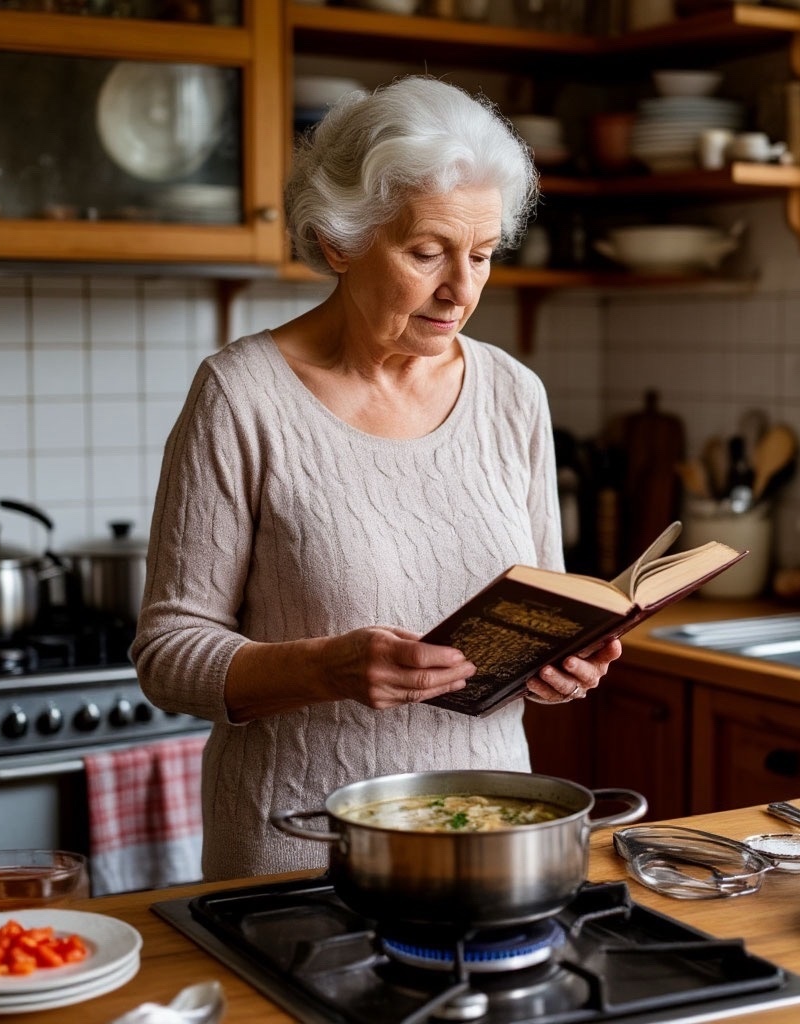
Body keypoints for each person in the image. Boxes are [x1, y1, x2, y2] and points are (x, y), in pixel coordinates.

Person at [131, 75, 622, 882]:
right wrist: (326, 669)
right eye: (427, 252)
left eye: (482, 255)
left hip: (492, 842)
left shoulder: (513, 396)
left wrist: (563, 667)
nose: (461, 290)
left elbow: (543, 609)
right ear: (340, 242)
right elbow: (169, 656)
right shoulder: (241, 395)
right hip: (299, 853)